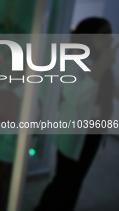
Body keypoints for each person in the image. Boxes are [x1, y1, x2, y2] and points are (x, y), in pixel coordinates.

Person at [34, 17, 117, 211]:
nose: (110, 39)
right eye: (103, 34)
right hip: (73, 131)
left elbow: (108, 91)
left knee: (76, 179)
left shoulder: (101, 60)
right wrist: (101, 67)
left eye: (110, 33)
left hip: (94, 131)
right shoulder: (75, 60)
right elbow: (74, 97)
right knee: (64, 180)